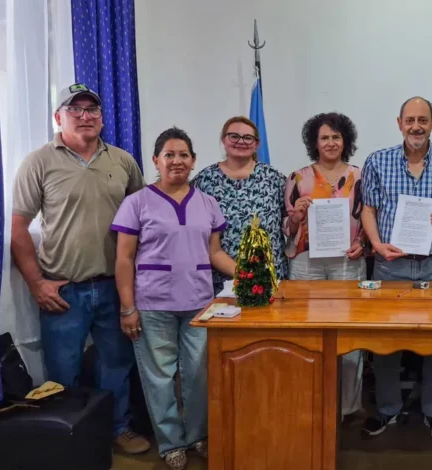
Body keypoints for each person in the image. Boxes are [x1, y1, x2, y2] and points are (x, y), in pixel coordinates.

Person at [10, 83, 150, 454]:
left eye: (92, 110)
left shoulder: (123, 161)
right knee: (63, 372)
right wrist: (37, 284)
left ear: (102, 118)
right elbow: (19, 228)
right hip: (62, 291)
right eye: (75, 109)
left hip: (114, 287)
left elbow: (143, 221)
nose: (85, 116)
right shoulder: (38, 162)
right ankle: (69, 441)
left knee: (116, 366)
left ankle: (119, 428)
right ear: (59, 117)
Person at [111, 127, 236, 470]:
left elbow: (215, 253)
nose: (177, 161)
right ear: (156, 160)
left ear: (193, 161)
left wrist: (251, 275)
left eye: (183, 155)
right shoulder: (136, 203)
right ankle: (171, 443)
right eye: (169, 155)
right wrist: (127, 307)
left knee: (198, 375)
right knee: (159, 378)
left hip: (199, 303)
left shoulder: (207, 203)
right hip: (153, 304)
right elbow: (124, 259)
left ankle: (197, 435)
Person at [360, 96, 432, 444]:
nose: (416, 127)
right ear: (399, 123)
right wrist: (376, 244)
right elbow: (368, 209)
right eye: (410, 120)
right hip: (391, 265)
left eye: (423, 120)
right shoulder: (377, 161)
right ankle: (387, 408)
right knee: (386, 342)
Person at [284, 112, 367, 418]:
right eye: (324, 138)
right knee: (307, 333)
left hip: (348, 260)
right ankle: (307, 403)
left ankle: (347, 407)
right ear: (314, 142)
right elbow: (287, 228)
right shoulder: (298, 178)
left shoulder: (361, 176)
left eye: (336, 137)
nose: (330, 143)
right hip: (307, 263)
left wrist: (364, 243)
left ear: (345, 141)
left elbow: (370, 217)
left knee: (349, 333)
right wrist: (296, 216)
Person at [191, 116, 287, 292]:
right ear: (224, 140)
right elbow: (196, 232)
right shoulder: (204, 181)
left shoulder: (274, 178)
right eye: (234, 136)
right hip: (223, 282)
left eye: (248, 137)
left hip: (269, 278)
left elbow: (288, 223)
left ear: (256, 144)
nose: (241, 142)